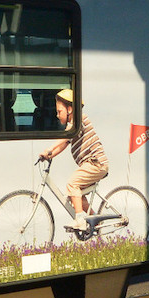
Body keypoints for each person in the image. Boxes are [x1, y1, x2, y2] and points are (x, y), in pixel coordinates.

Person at [39, 89, 109, 231]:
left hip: (96, 163)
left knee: (72, 184)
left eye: (59, 111)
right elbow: (64, 143)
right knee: (75, 197)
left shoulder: (79, 120)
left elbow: (66, 136)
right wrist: (50, 154)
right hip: (90, 164)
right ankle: (95, 222)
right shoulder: (72, 125)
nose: (57, 115)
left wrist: (49, 148)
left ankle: (80, 220)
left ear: (70, 109)